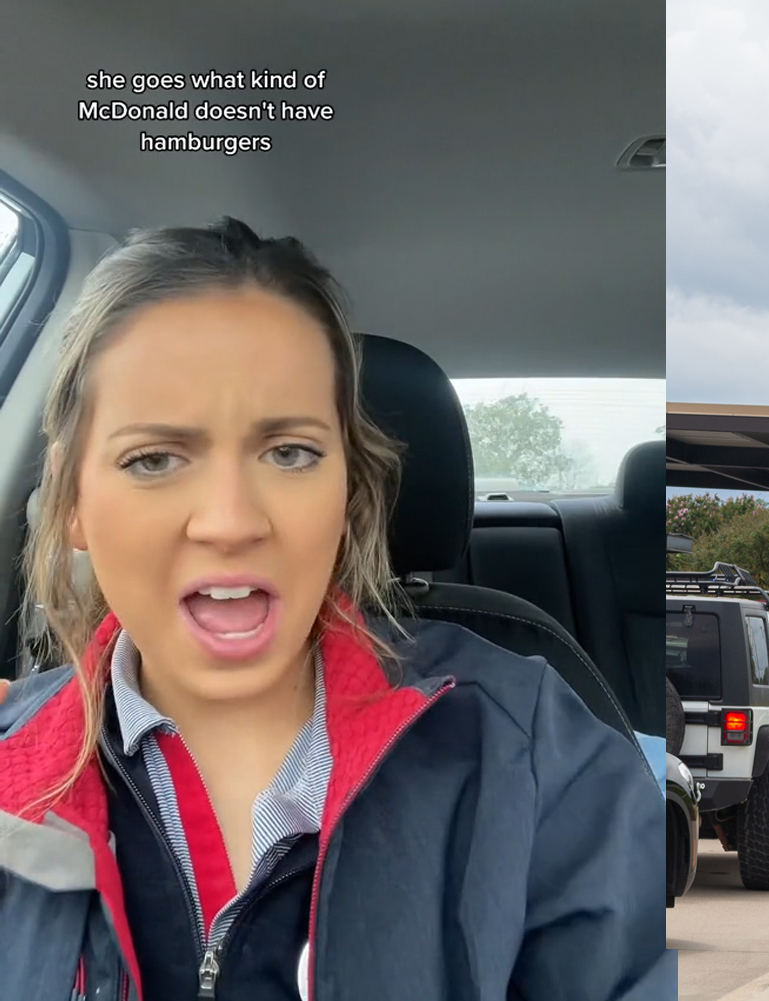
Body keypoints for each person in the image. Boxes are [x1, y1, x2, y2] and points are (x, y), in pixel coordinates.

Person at [0, 219, 667, 999]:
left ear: (347, 490)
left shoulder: (541, 761)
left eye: (289, 452)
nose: (231, 521)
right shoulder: (10, 772)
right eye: (153, 458)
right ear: (72, 499)